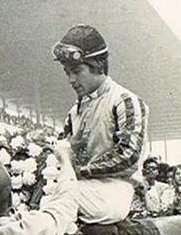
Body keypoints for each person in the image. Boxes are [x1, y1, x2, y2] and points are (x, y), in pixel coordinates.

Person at [53, 24, 148, 224]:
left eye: (76, 71)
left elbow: (128, 155)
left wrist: (82, 171)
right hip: (82, 188)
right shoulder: (74, 111)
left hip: (115, 191)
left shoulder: (125, 100)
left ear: (98, 65)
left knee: (56, 201)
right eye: (67, 72)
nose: (71, 80)